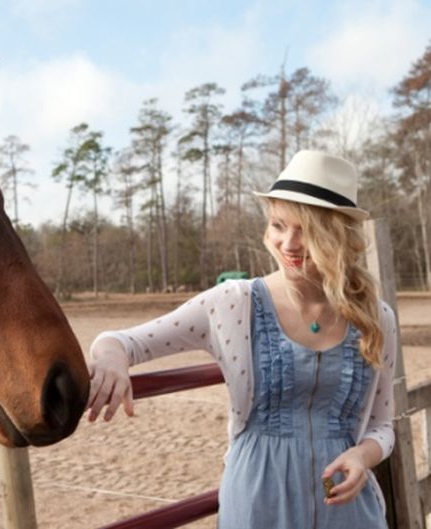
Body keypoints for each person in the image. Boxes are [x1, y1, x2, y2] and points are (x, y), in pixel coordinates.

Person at [86, 150, 397, 529]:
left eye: (306, 230)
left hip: (348, 511)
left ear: (339, 238)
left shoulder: (377, 319)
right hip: (256, 506)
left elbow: (383, 425)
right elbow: (121, 340)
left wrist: (363, 456)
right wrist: (112, 359)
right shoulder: (233, 303)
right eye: (279, 225)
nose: (289, 244)